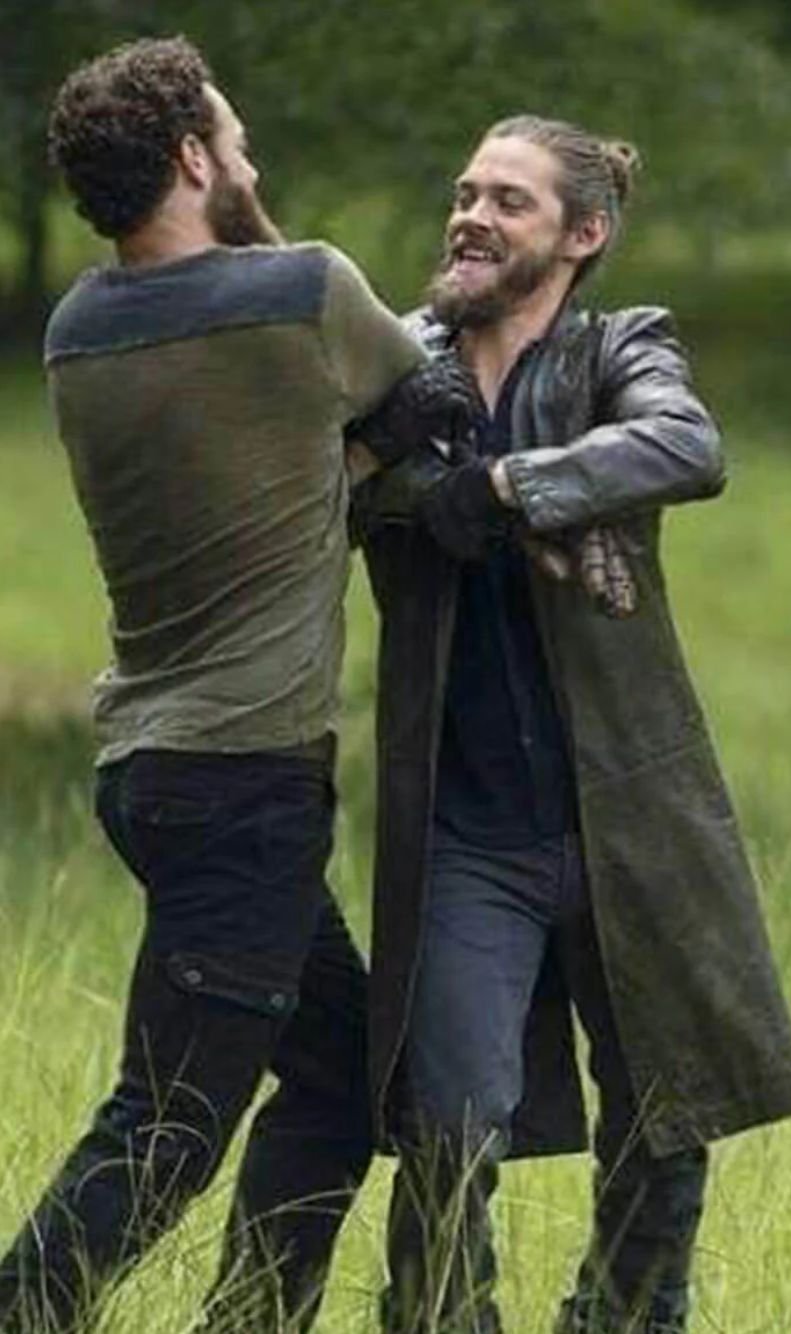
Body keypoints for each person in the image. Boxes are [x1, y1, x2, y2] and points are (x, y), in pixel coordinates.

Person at [0, 35, 469, 1334]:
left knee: (340, 1070)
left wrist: (348, 458)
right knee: (165, 1124)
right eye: (235, 139)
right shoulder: (298, 290)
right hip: (243, 785)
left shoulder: (79, 329)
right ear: (195, 159)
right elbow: (420, 399)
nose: (250, 159)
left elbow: (282, 474)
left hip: (151, 772)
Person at [353, 115, 791, 1333]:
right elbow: (330, 480)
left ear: (582, 232)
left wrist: (508, 487)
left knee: (666, 1112)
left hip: (628, 811)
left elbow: (683, 443)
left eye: (508, 200)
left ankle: (622, 1317)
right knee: (447, 1123)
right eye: (465, 192)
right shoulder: (394, 361)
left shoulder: (620, 346)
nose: (470, 215)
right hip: (463, 826)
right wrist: (428, 485)